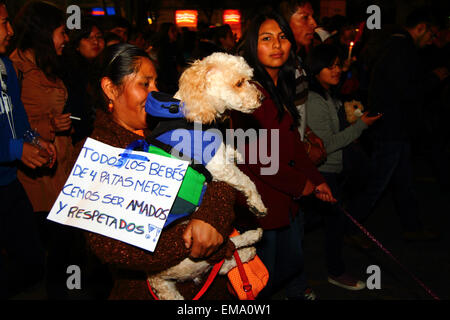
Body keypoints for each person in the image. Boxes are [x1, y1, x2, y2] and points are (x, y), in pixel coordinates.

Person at [73, 43, 237, 299]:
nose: (156, 93)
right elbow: (113, 246)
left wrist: (211, 216)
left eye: (156, 83)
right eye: (144, 84)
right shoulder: (96, 153)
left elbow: (224, 172)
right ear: (110, 89)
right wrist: (195, 240)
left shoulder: (169, 128)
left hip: (212, 286)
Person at [231, 11, 336, 301]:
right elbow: (254, 157)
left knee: (286, 270)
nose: (277, 45)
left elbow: (290, 144)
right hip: (259, 208)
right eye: (267, 39)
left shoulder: (278, 85)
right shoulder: (246, 92)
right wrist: (300, 184)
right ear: (253, 45)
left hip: (283, 205)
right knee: (259, 284)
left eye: (282, 37)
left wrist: (316, 179)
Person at [346, 7, 445, 243]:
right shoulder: (402, 50)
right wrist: (434, 79)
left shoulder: (393, 45)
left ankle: (412, 225)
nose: (432, 41)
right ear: (421, 28)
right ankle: (347, 227)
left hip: (393, 125)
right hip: (392, 125)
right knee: (377, 183)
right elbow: (405, 91)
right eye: (431, 35)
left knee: (403, 180)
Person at [10, 0, 75, 299]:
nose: (66, 38)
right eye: (62, 32)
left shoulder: (44, 65)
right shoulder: (14, 68)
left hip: (60, 170)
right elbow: (11, 125)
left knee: (64, 254)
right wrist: (49, 125)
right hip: (34, 180)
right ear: (44, 32)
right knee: (42, 257)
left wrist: (64, 125)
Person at [305, 43, 381, 290]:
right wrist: (361, 126)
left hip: (333, 169)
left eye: (338, 65)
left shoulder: (328, 94)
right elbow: (327, 144)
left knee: (323, 221)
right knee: (333, 222)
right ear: (316, 69)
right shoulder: (315, 99)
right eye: (331, 66)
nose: (337, 70)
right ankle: (335, 272)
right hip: (323, 170)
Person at [0, 0, 55, 299]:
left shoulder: (5, 66)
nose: (10, 30)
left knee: (33, 262)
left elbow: (17, 116)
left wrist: (34, 140)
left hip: (9, 183)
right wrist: (13, 148)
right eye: (3, 23)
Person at [279, 0, 326, 167]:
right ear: (285, 22)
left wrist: (308, 133)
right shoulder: (279, 65)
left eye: (312, 17)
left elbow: (295, 110)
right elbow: (277, 120)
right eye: (305, 17)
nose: (314, 23)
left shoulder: (297, 60)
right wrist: (304, 148)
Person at [62, 17, 105, 145]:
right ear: (76, 44)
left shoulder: (104, 68)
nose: (95, 42)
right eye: (88, 38)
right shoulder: (69, 73)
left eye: (99, 36)